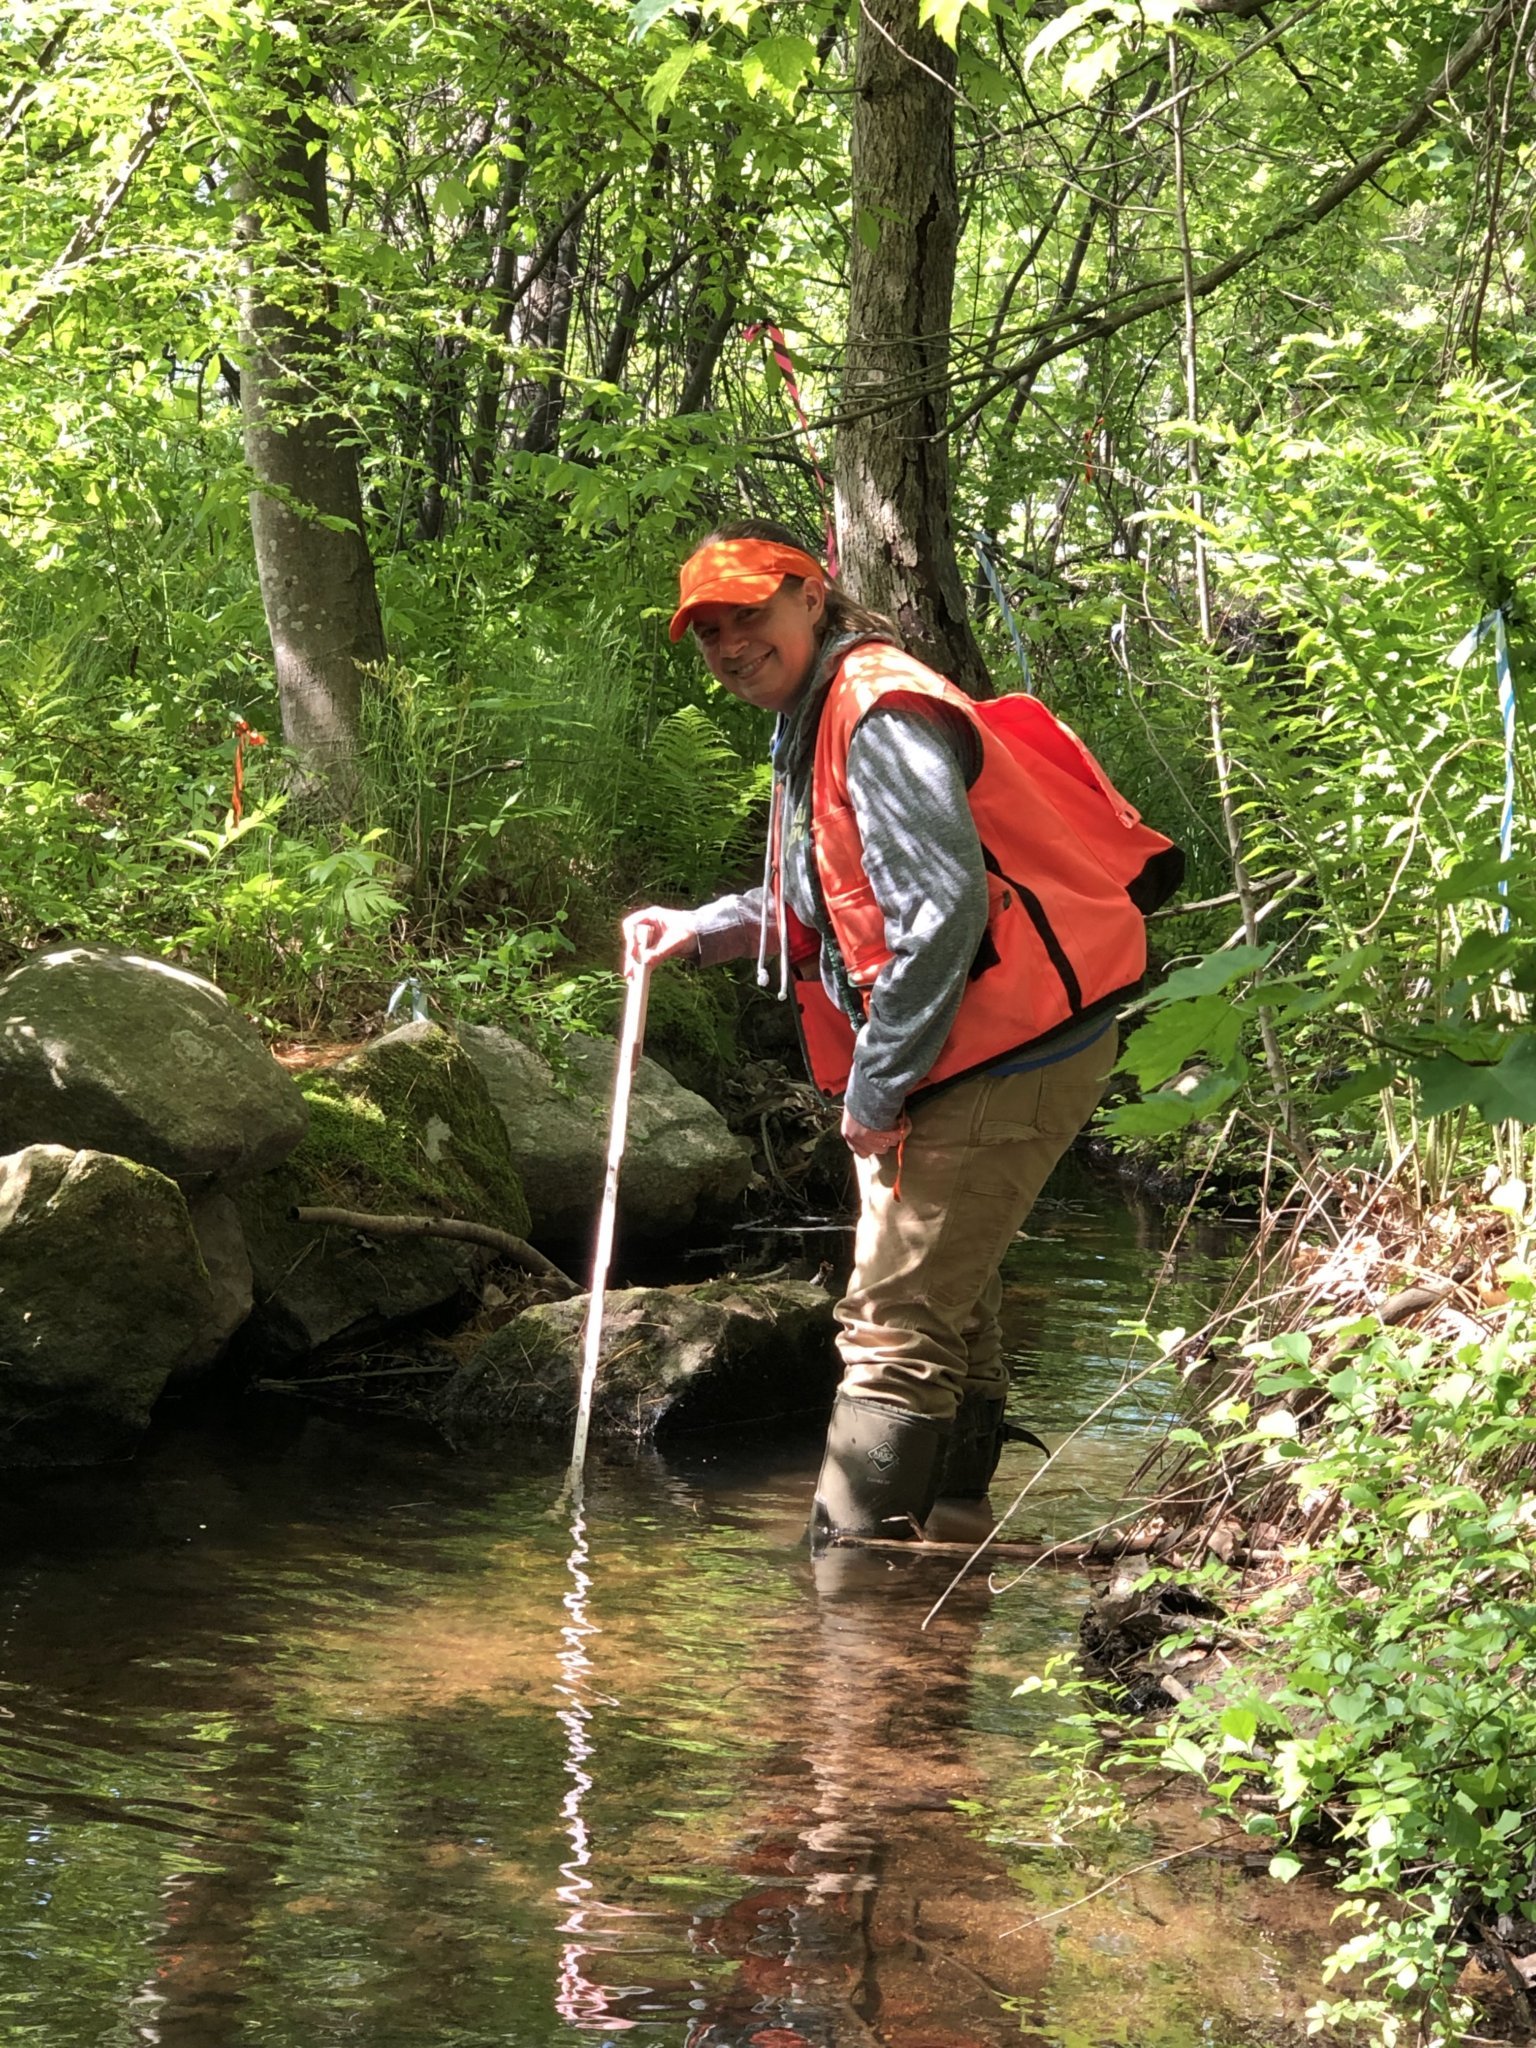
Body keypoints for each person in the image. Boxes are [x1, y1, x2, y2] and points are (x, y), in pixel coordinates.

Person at [624, 519, 1162, 1548]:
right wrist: (700, 929)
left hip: (1004, 1046)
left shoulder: (871, 709)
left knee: (893, 1327)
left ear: (811, 596)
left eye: (751, 615)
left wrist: (874, 1091)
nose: (731, 645)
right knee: (954, 1308)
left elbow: (943, 916)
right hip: (991, 1040)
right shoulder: (817, 714)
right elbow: (825, 897)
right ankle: (953, 1545)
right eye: (709, 632)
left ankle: (858, 1578)